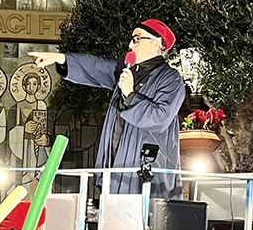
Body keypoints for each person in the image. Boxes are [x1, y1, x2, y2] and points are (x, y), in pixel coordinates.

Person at [29, 19, 185, 199]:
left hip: (146, 174)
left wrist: (130, 94)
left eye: (136, 39)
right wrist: (60, 58)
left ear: (156, 42)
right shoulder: (127, 72)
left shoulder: (170, 79)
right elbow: (97, 67)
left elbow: (160, 118)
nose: (130, 45)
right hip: (116, 165)